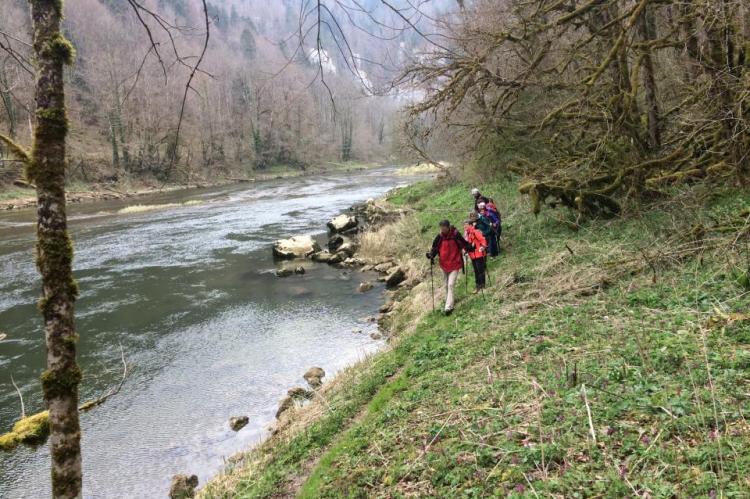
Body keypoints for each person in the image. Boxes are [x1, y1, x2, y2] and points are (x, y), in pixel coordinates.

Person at [426, 220, 473, 315]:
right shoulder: (439, 237)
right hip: (444, 264)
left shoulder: (455, 234)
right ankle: (450, 300)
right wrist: (431, 255)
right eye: (441, 228)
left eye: (444, 228)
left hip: (455, 263)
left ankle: (448, 307)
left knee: (451, 284)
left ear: (448, 227)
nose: (442, 230)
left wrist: (470, 248)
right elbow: (435, 248)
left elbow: (463, 243)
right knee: (446, 285)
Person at [463, 214, 488, 293]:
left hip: (479, 254)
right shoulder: (466, 235)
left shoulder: (475, 232)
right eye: (464, 226)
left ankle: (482, 285)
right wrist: (466, 251)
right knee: (476, 271)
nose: (465, 227)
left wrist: (483, 247)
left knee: (480, 270)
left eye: (466, 225)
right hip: (472, 255)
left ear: (470, 225)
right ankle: (478, 286)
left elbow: (482, 239)